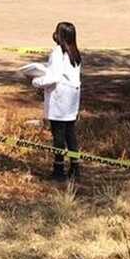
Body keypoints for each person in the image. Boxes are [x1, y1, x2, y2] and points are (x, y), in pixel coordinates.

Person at [32, 21, 82, 180]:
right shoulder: (75, 53)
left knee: (59, 136)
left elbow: (53, 77)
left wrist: (36, 81)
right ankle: (75, 168)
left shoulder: (57, 52)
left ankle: (58, 171)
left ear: (60, 36)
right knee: (70, 134)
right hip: (72, 100)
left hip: (59, 100)